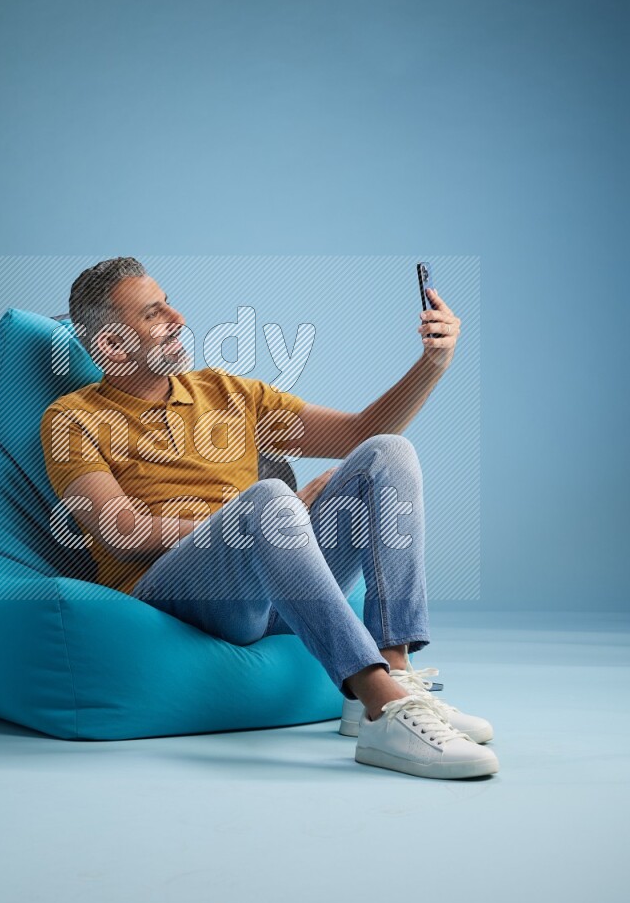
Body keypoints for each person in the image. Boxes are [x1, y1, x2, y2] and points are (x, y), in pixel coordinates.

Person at [40, 257, 498, 780]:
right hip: (176, 596)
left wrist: (432, 365)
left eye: (169, 301)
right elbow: (118, 530)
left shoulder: (228, 393)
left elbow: (357, 434)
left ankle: (397, 674)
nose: (179, 316)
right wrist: (257, 520)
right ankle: (381, 709)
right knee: (269, 501)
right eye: (154, 314)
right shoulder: (72, 417)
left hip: (271, 585)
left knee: (387, 453)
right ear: (112, 346)